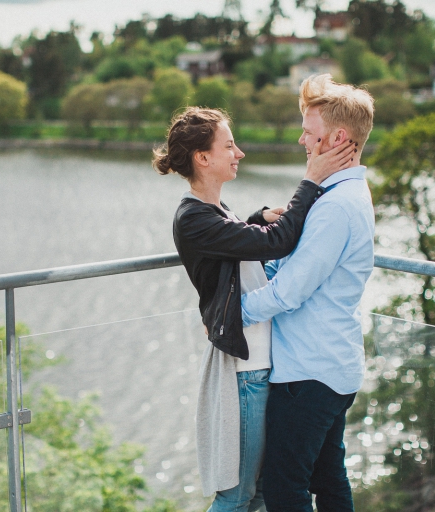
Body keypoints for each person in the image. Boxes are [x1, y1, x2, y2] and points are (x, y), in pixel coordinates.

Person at [153, 107, 356, 511]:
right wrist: (311, 181)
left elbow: (239, 239)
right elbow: (274, 242)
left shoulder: (212, 211)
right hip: (245, 374)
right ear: (202, 158)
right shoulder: (193, 218)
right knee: (237, 495)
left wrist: (256, 217)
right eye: (229, 146)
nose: (239, 153)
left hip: (262, 367)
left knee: (262, 492)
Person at [241, 75, 376, 512]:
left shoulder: (336, 205)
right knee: (328, 477)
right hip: (330, 365)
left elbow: (289, 292)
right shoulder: (340, 194)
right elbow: (291, 269)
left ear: (338, 137)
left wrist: (232, 312)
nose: (301, 139)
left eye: (308, 130)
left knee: (284, 488)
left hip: (309, 372)